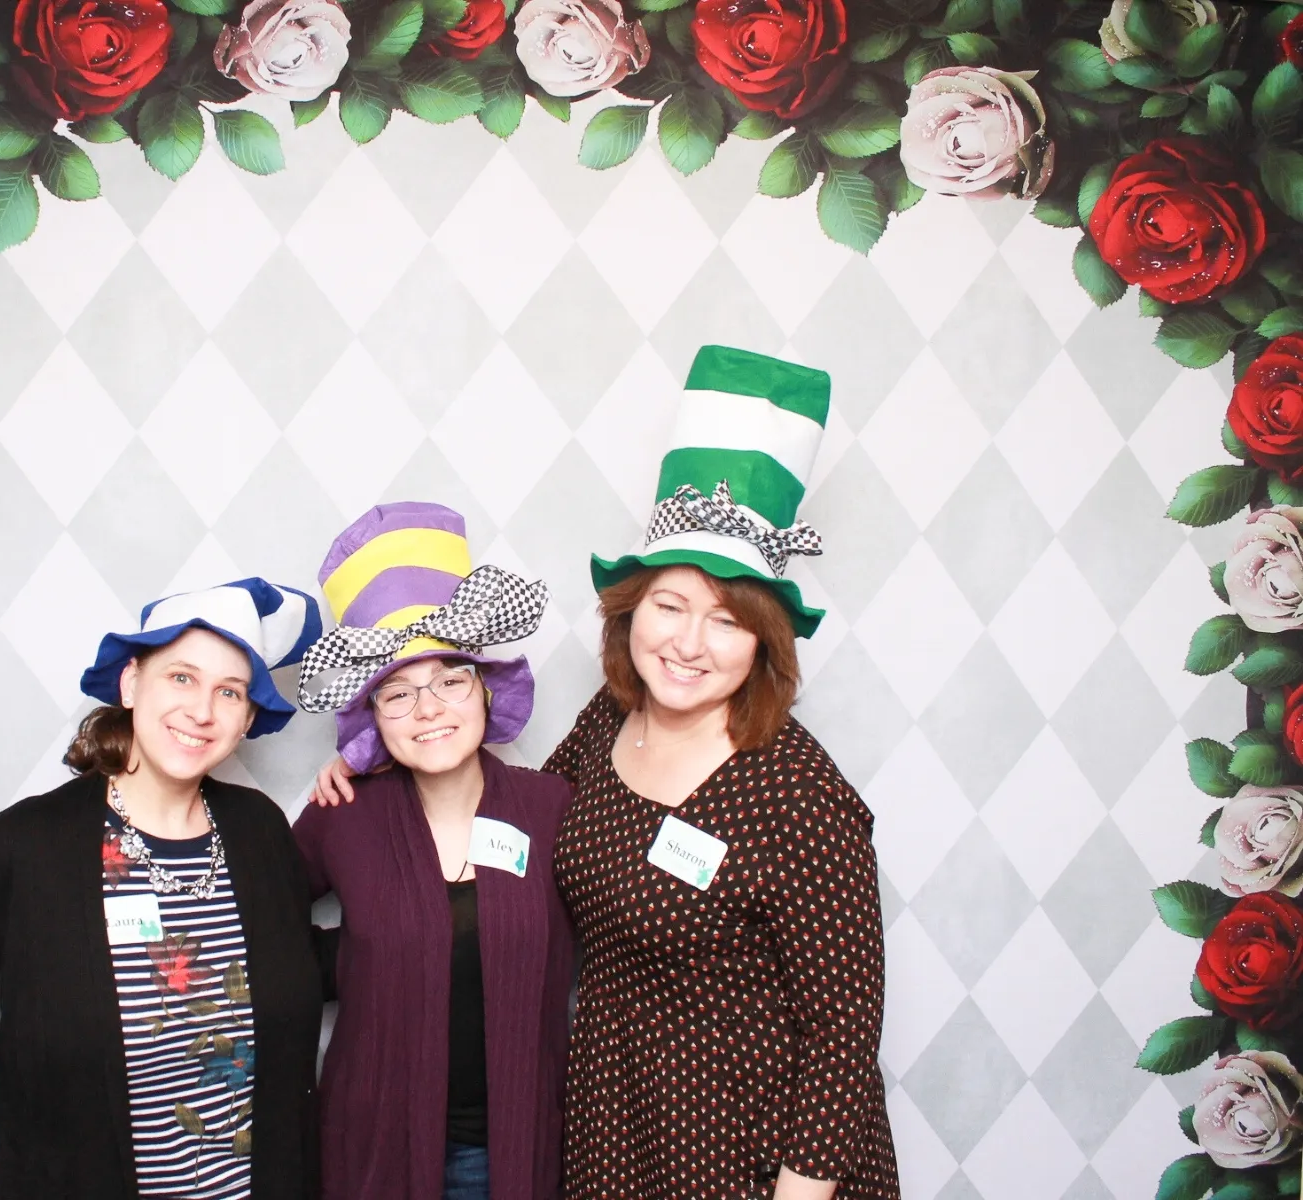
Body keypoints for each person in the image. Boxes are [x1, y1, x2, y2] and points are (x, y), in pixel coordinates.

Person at [315, 348, 900, 1199]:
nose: (689, 644)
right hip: (613, 1133)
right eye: (669, 605)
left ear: (764, 641)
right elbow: (507, 817)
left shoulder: (800, 795)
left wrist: (797, 1193)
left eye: (727, 620)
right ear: (630, 612)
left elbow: (843, 1037)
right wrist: (367, 749)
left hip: (750, 1155)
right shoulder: (605, 728)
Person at [0, 578, 328, 1200]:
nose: (202, 711)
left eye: (229, 691)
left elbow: (297, 965)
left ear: (247, 717)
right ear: (132, 684)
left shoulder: (261, 832)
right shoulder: (23, 846)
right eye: (182, 678)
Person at [289, 503, 573, 1200]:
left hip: (513, 1147)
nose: (428, 709)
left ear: (485, 690)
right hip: (374, 1145)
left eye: (450, 680)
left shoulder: (552, 808)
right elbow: (258, 926)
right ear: (372, 718)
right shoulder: (343, 815)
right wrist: (359, 957)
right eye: (397, 693)